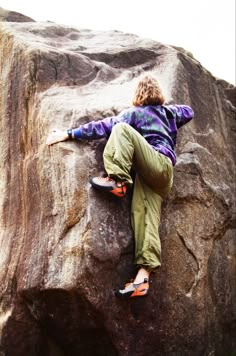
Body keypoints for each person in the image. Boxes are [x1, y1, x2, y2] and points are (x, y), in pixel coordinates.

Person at [46, 73, 194, 299]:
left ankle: (118, 179)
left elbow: (106, 125)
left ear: (138, 95)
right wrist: (169, 111)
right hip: (161, 176)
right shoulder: (170, 113)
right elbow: (189, 112)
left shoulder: (135, 114)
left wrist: (69, 133)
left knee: (120, 129)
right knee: (145, 216)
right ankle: (142, 278)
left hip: (155, 162)